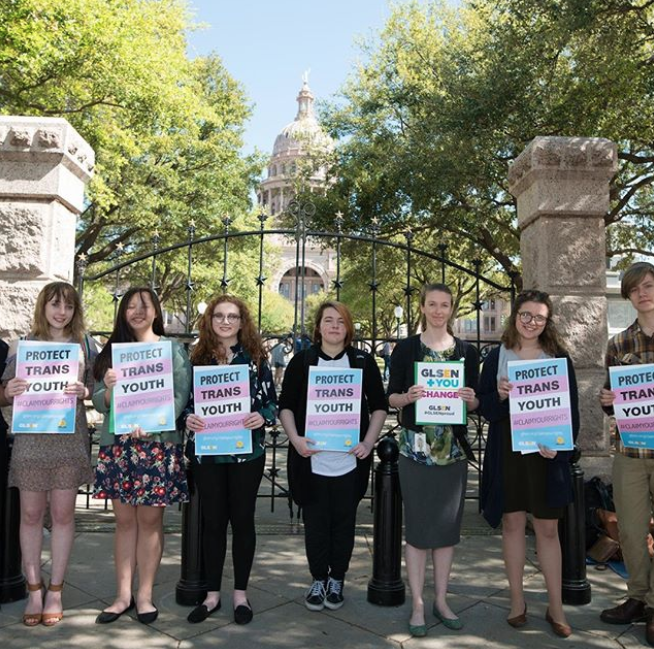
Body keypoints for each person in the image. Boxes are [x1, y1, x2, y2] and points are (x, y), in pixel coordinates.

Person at [478, 289, 579, 639]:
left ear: (547, 321)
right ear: (515, 316)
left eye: (538, 317)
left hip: (546, 458)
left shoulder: (559, 359)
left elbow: (572, 417)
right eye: (525, 315)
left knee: (548, 530)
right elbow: (484, 408)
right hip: (508, 452)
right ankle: (517, 601)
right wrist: (501, 397)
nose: (531, 322)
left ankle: (556, 606)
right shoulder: (497, 357)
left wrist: (562, 450)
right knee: (512, 523)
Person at [91, 287, 191, 625]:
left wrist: (155, 422)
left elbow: (180, 395)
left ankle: (144, 595)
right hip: (119, 446)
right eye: (130, 306)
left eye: (144, 305)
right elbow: (98, 400)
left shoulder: (172, 350)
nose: (137, 311)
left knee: (150, 521)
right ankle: (122, 596)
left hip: (157, 444)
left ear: (155, 311)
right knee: (124, 522)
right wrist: (108, 387)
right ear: (123, 313)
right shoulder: (113, 353)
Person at [279, 300, 387, 611]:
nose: (335, 326)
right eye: (329, 320)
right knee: (315, 525)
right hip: (310, 460)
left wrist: (368, 442)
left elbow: (379, 406)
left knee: (343, 525)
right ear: (319, 327)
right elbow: (286, 405)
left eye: (341, 321)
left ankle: (336, 578)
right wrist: (295, 438)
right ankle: (317, 579)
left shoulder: (364, 362)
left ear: (348, 328)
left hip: (350, 462)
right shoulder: (301, 362)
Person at [0, 282, 97, 627]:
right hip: (31, 439)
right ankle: (34, 589)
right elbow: (3, 393)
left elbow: (101, 390)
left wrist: (86, 390)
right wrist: (8, 391)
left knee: (62, 515)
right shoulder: (23, 346)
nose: (61, 312)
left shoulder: (85, 345)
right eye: (55, 305)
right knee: (29, 515)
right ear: (43, 307)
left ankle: (55, 589)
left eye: (69, 306)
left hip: (68, 439)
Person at [387, 283, 479, 637]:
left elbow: (476, 403)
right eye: (432, 304)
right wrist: (407, 397)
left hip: (452, 453)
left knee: (446, 531)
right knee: (418, 528)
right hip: (415, 449)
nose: (438, 310)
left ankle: (441, 599)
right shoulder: (407, 349)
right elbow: (390, 397)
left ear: (452, 309)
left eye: (444, 305)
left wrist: (471, 399)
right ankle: (418, 604)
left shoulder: (467, 352)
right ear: (423, 308)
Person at [184, 295, 277, 625]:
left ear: (242, 321)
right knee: (213, 522)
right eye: (219, 315)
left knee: (242, 520)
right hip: (207, 452)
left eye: (232, 316)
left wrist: (260, 417)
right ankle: (211, 595)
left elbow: (271, 404)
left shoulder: (255, 358)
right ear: (210, 320)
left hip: (245, 453)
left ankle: (240, 594)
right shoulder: (197, 358)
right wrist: (188, 418)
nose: (225, 321)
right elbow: (184, 402)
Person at [599, 262, 654, 645]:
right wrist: (607, 400)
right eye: (635, 289)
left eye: (649, 286)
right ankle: (638, 597)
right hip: (630, 451)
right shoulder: (620, 343)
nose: (643, 294)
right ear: (628, 296)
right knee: (632, 533)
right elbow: (610, 398)